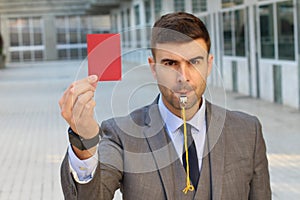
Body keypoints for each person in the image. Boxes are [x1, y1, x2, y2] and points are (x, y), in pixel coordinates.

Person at [59, 12, 271, 199]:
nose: (183, 77)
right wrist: (84, 141)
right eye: (170, 64)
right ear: (153, 68)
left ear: (209, 64)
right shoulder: (120, 135)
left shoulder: (247, 131)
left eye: (194, 62)